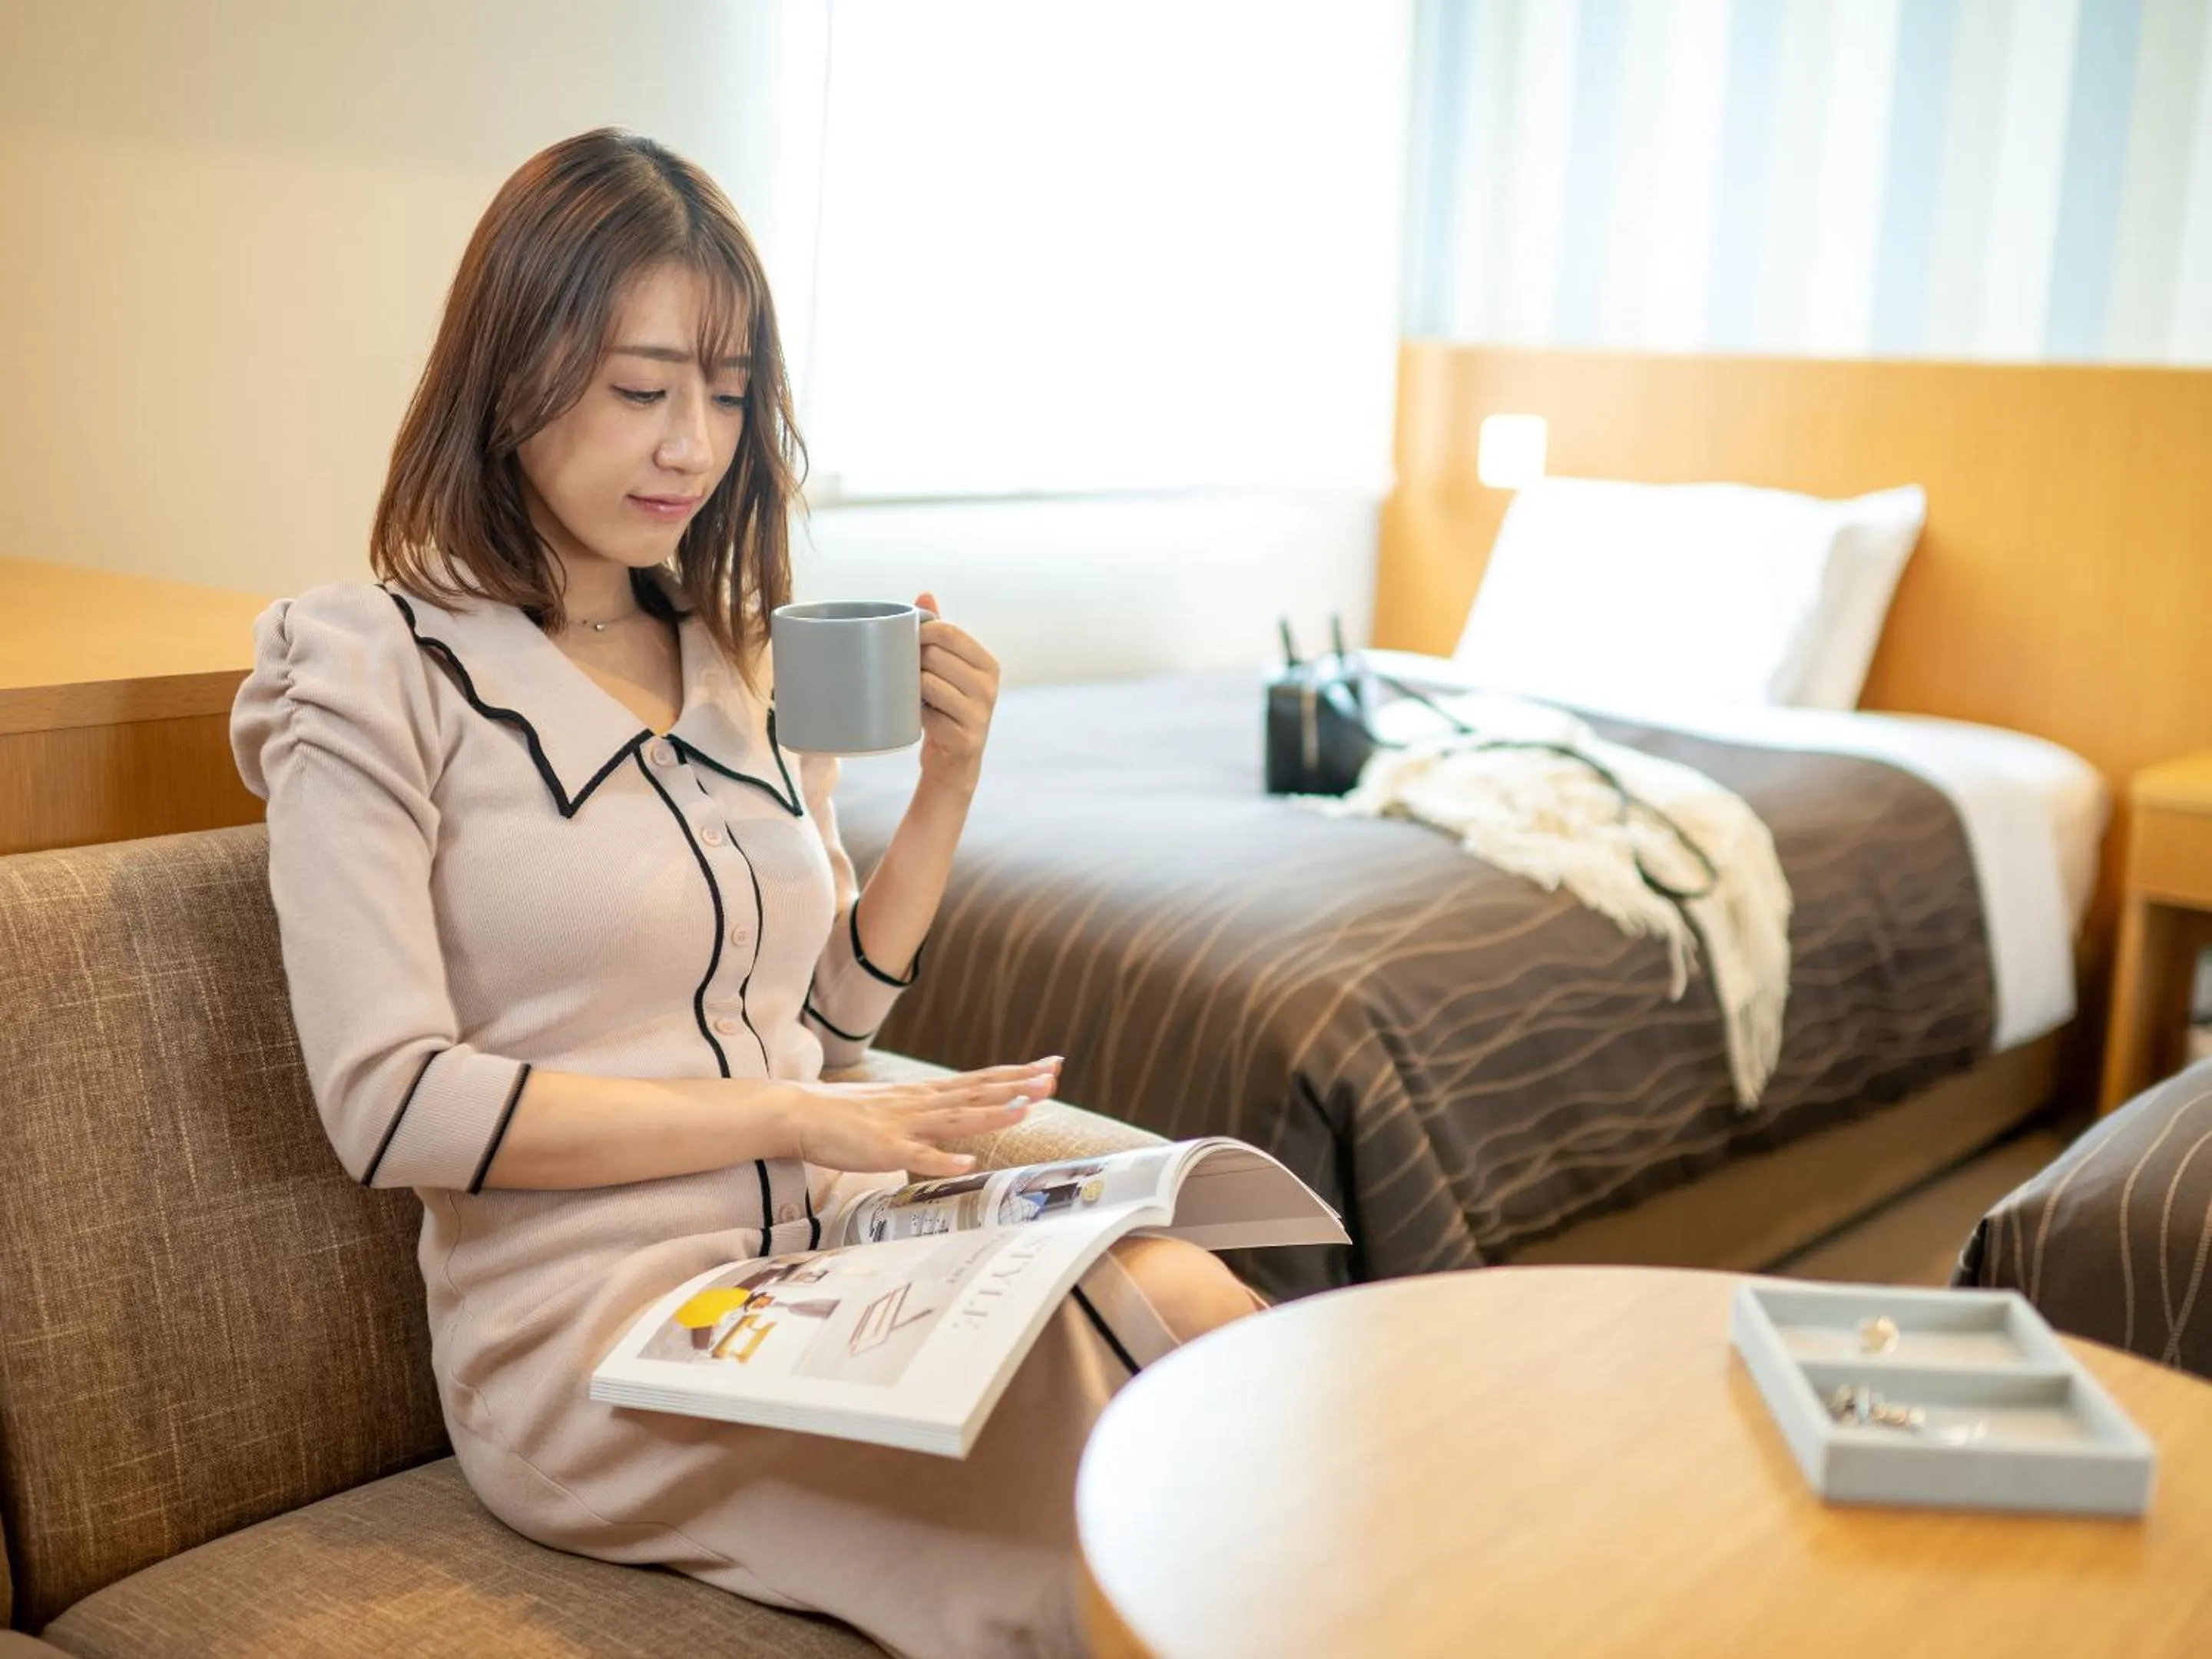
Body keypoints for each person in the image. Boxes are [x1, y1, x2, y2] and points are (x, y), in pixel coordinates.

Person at [230, 127, 1257, 1657]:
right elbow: (390, 1107)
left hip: (827, 1259)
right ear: (510, 377)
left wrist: (948, 791)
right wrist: (792, 1118)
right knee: (1135, 1474)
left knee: (1198, 1309)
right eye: (643, 390)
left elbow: (822, 1029)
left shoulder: (733, 652)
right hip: (601, 1338)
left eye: (725, 395)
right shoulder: (369, 669)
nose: (692, 448)